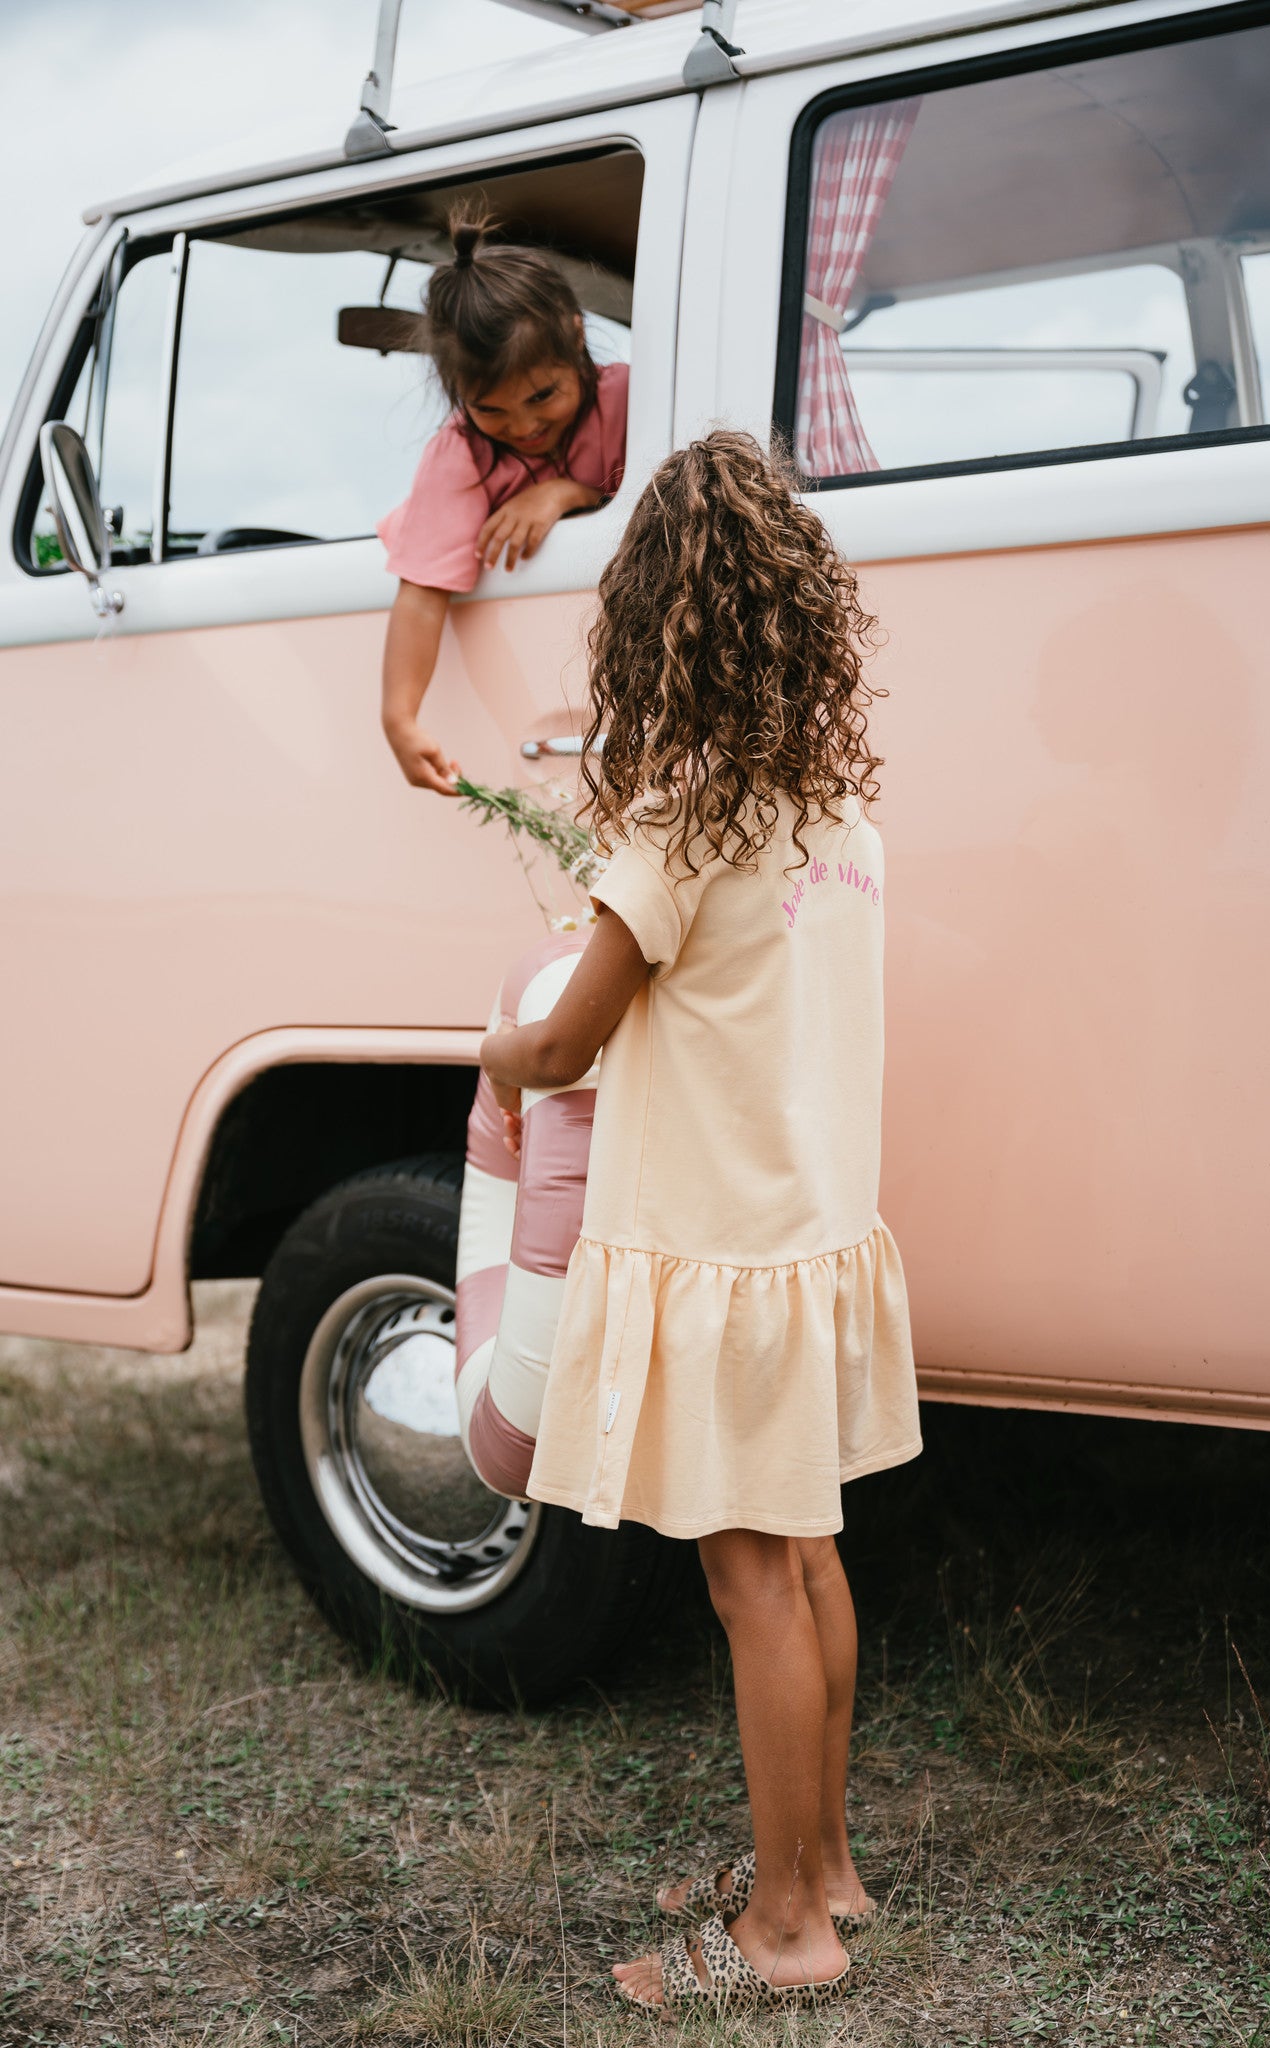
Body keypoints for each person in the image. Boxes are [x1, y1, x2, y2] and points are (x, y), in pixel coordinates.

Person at [479, 429, 922, 2014]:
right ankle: (824, 1862)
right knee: (806, 1558)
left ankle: (783, 1929)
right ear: (797, 611)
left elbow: (568, 1036)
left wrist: (494, 1058)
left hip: (726, 1256)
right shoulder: (837, 821)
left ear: (654, 620)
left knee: (749, 1580)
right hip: (807, 1243)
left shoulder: (679, 820)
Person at [378, 214, 629, 795]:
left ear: (577, 337)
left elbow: (667, 499)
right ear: (458, 393)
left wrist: (569, 493)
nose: (525, 425)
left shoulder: (628, 400)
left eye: (543, 395)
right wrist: (399, 717)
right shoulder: (461, 452)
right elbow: (420, 594)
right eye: (492, 409)